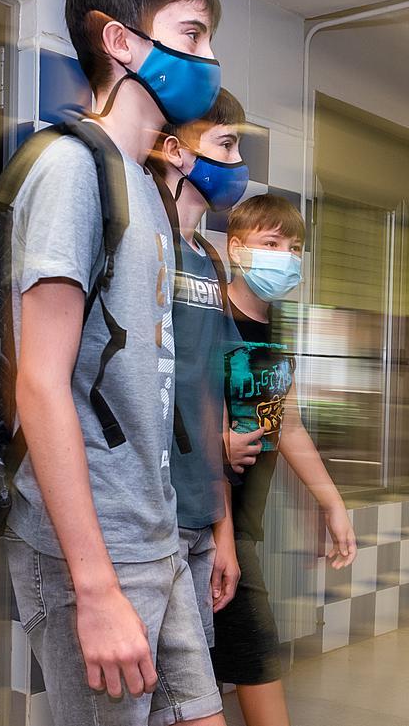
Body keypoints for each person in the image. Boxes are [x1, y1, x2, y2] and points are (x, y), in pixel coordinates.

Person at [4, 0, 228, 726]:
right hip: (90, 555)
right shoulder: (74, 169)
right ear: (121, 41)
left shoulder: (142, 185)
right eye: (193, 34)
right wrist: (94, 586)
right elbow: (40, 380)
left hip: (153, 533)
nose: (208, 57)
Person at [209, 194, 357, 726]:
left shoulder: (275, 328)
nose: (286, 257)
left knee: (209, 675)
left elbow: (285, 422)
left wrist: (332, 503)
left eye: (294, 248)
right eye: (271, 244)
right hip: (204, 524)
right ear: (236, 247)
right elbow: (177, 410)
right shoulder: (210, 319)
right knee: (252, 657)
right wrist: (216, 440)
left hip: (242, 523)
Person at [147, 89, 252, 653]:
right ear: (173, 151)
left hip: (196, 518)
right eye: (226, 144)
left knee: (190, 698)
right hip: (143, 524)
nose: (238, 164)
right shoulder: (147, 248)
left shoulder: (207, 259)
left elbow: (218, 396)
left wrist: (223, 537)